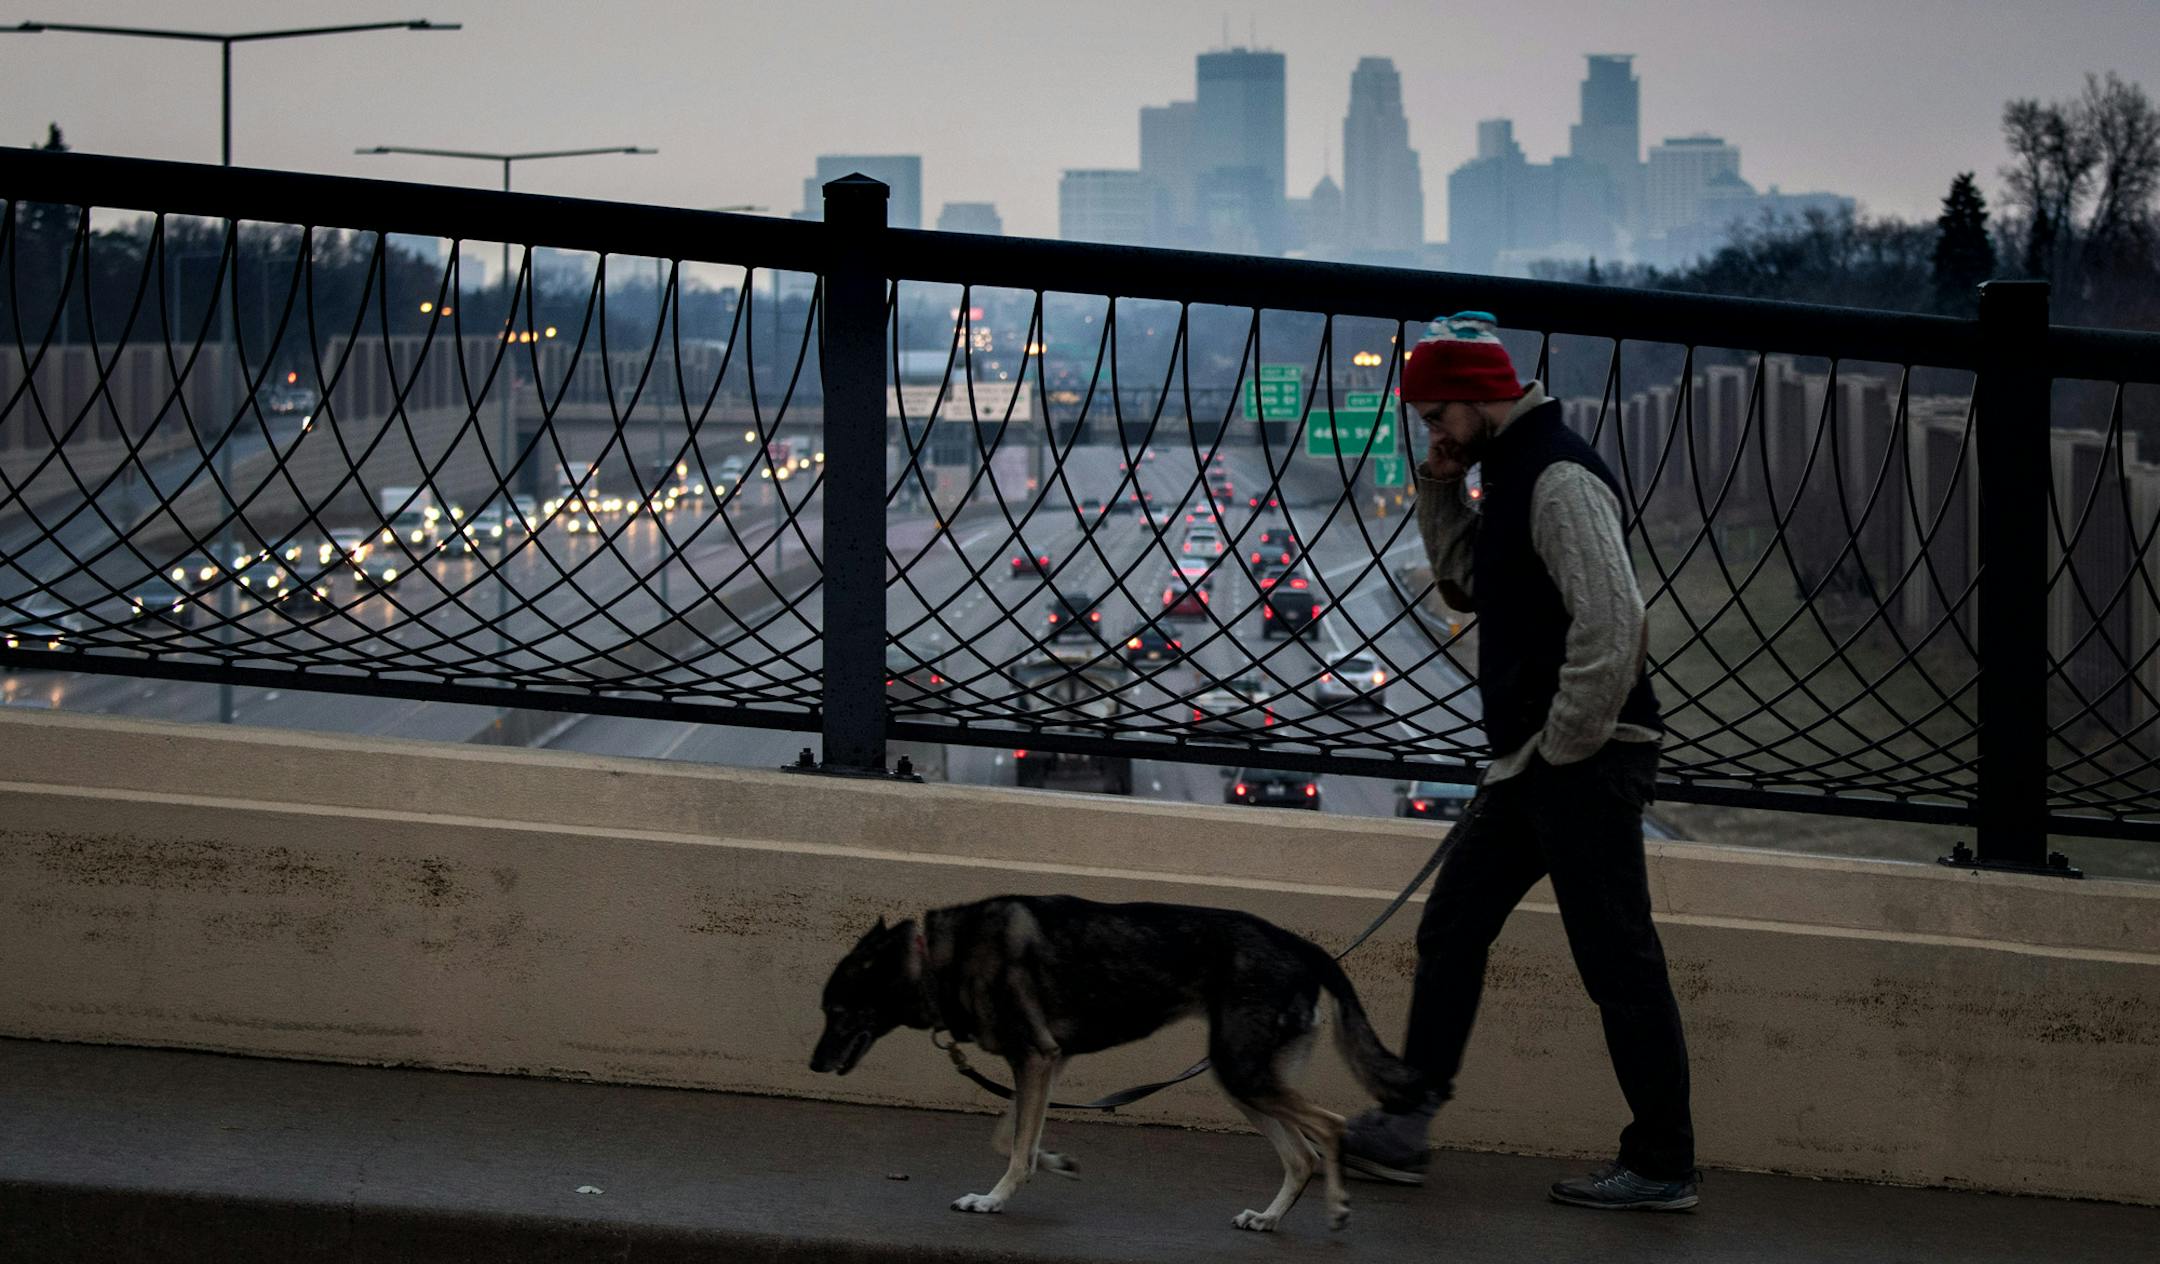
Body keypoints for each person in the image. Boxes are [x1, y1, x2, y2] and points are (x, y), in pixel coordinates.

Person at [1340, 312, 1698, 1211]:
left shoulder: (1558, 476)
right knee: (1453, 925)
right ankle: (1405, 1125)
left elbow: (1614, 628)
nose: (1431, 433)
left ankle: (1662, 1164)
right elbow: (1465, 580)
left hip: (1586, 758)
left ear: (1475, 396)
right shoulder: (1506, 470)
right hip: (1537, 763)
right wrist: (1438, 484)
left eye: (1434, 419)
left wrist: (1563, 746)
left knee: (1617, 960)